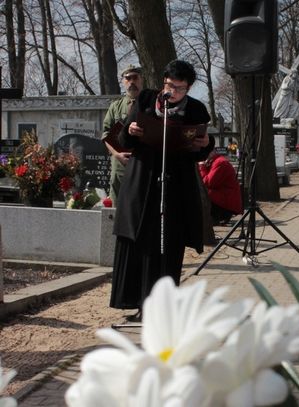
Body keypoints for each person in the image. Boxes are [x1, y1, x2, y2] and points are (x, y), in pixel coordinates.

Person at [110, 60, 211, 319]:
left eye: (179, 88)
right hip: (143, 181)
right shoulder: (145, 100)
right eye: (169, 85)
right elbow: (123, 140)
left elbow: (202, 148)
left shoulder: (197, 110)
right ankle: (141, 303)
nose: (172, 92)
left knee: (169, 244)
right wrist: (131, 131)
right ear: (163, 81)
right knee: (142, 241)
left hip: (175, 184)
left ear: (188, 88)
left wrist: (204, 144)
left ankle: (164, 307)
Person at [102, 65, 143, 206]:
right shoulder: (115, 107)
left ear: (141, 79)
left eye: (135, 77)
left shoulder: (150, 104)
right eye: (128, 78)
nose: (132, 81)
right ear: (123, 81)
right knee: (117, 205)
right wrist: (116, 154)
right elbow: (105, 134)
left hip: (143, 163)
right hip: (120, 165)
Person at [199, 136, 243, 225]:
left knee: (201, 192)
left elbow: (207, 182)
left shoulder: (220, 163)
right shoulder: (213, 162)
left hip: (226, 201)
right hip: (222, 196)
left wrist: (202, 167)